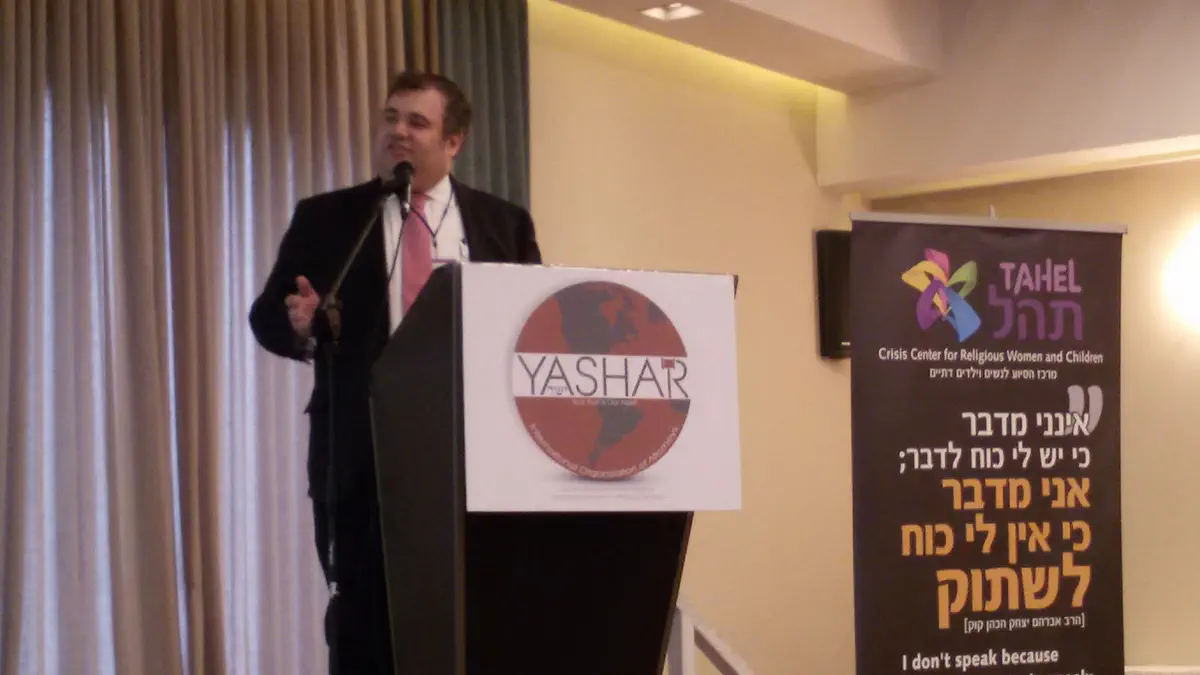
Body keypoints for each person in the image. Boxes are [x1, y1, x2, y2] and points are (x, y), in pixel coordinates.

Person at [248, 70, 542, 674]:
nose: (398, 132)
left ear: (453, 141)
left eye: (417, 122)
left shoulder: (504, 224)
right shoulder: (330, 218)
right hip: (360, 456)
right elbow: (268, 316)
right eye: (390, 118)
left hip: (473, 459)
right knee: (365, 628)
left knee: (472, 622)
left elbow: (535, 331)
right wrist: (301, 325)